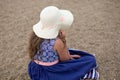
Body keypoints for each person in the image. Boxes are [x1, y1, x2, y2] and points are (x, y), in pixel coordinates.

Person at [28, 6, 99, 80]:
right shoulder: (57, 42)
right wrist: (63, 39)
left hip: (35, 70)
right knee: (90, 59)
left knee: (69, 52)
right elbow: (65, 60)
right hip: (51, 73)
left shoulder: (35, 36)